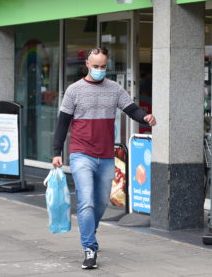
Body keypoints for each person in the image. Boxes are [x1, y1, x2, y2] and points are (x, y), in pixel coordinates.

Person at [52, 47, 156, 270]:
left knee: (100, 203)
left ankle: (90, 227)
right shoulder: (74, 90)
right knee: (86, 201)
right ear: (87, 64)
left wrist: (145, 118)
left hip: (106, 155)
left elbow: (132, 110)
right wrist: (56, 152)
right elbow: (62, 123)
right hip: (81, 154)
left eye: (103, 67)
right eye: (96, 66)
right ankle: (90, 248)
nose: (99, 70)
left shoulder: (114, 89)